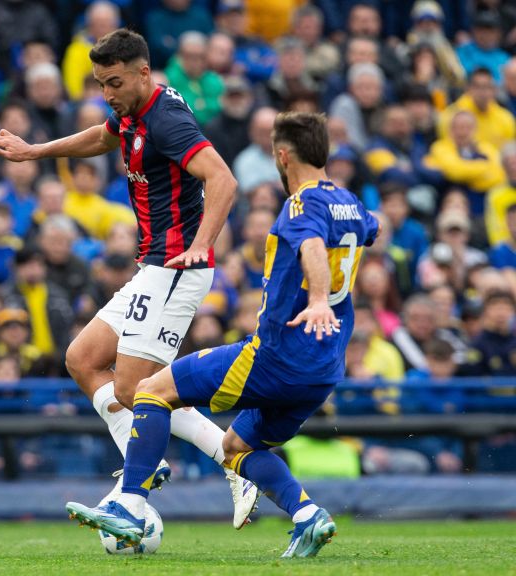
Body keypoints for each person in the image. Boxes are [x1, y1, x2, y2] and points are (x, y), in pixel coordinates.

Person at [66, 111, 379, 558]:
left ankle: (132, 504)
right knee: (234, 446)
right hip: (326, 366)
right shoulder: (349, 203)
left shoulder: (301, 203)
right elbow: (372, 230)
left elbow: (310, 245)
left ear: (282, 155)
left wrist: (316, 299)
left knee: (151, 390)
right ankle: (307, 515)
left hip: (277, 356)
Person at [0, 28, 256, 526]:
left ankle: (224, 463)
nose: (106, 95)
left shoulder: (167, 119)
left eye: (113, 83)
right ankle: (147, 464)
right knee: (83, 359)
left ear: (143, 73)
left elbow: (223, 179)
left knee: (139, 391)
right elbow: (102, 136)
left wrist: (199, 247)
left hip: (175, 267)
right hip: (151, 266)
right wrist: (35, 152)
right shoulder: (134, 110)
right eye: (100, 85)